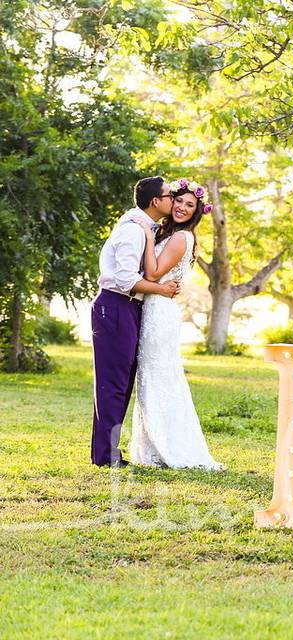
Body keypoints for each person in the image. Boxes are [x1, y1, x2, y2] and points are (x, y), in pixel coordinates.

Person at [129, 178, 224, 470]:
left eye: (189, 204)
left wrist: (146, 236)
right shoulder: (168, 233)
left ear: (196, 211)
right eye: (178, 201)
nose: (182, 207)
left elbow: (154, 273)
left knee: (159, 378)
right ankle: (152, 446)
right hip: (154, 309)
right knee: (151, 378)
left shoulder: (182, 237)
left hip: (159, 312)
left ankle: (171, 446)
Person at [91, 176, 180, 467]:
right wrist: (162, 289)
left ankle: (107, 452)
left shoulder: (144, 227)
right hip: (116, 306)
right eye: (170, 195)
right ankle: (106, 455)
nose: (173, 200)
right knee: (113, 384)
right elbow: (125, 278)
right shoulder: (133, 230)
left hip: (127, 308)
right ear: (156, 201)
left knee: (121, 382)